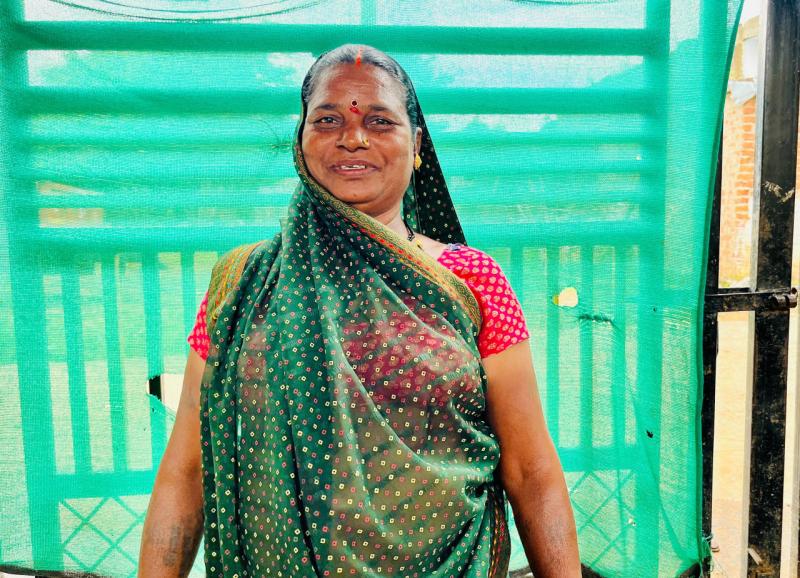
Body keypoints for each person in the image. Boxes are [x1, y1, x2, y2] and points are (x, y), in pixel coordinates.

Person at [139, 44, 580, 578]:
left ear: (417, 145)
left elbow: (531, 470)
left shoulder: (470, 280)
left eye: (379, 121)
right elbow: (187, 472)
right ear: (300, 140)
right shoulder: (241, 282)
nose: (353, 138)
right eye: (327, 120)